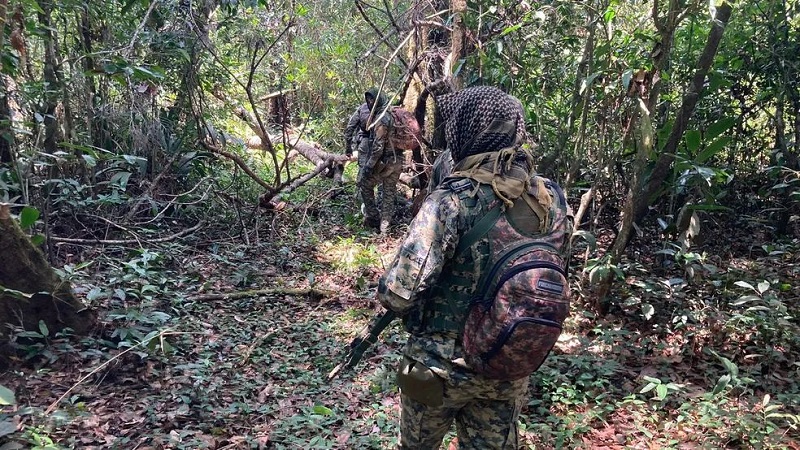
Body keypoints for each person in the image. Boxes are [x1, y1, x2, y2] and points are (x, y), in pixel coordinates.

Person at [376, 86, 536, 450]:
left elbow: (398, 294)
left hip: (440, 368)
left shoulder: (451, 201)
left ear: (467, 130)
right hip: (507, 366)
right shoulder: (549, 200)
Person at [345, 88, 403, 234]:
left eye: (372, 99)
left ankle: (375, 219)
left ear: (378, 99)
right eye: (368, 99)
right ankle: (385, 227)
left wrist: (369, 166)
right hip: (397, 160)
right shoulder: (391, 113)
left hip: (385, 162)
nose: (370, 102)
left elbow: (378, 147)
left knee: (365, 184)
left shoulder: (381, 119)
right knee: (389, 193)